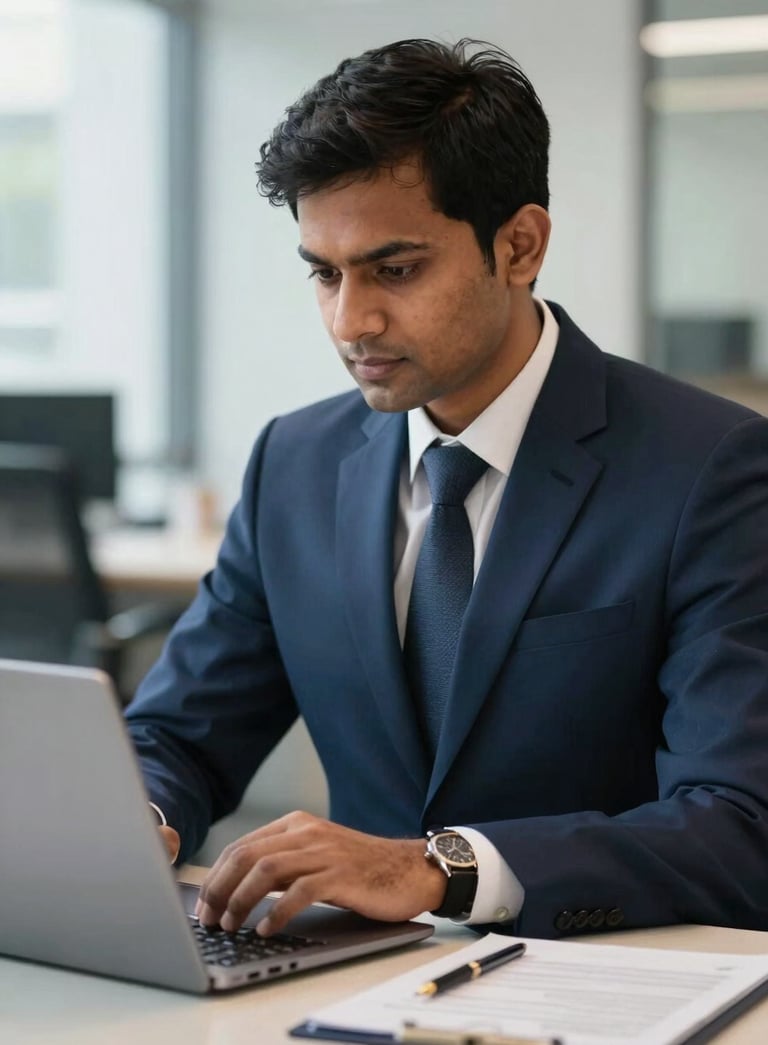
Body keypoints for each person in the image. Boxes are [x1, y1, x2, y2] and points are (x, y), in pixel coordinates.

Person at [126, 37, 768, 941]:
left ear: (519, 244)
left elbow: (741, 823)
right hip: (340, 976)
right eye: (324, 272)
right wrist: (137, 825)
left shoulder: (715, 466)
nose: (352, 321)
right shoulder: (295, 464)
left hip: (596, 980)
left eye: (395, 269)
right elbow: (180, 735)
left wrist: (438, 868)